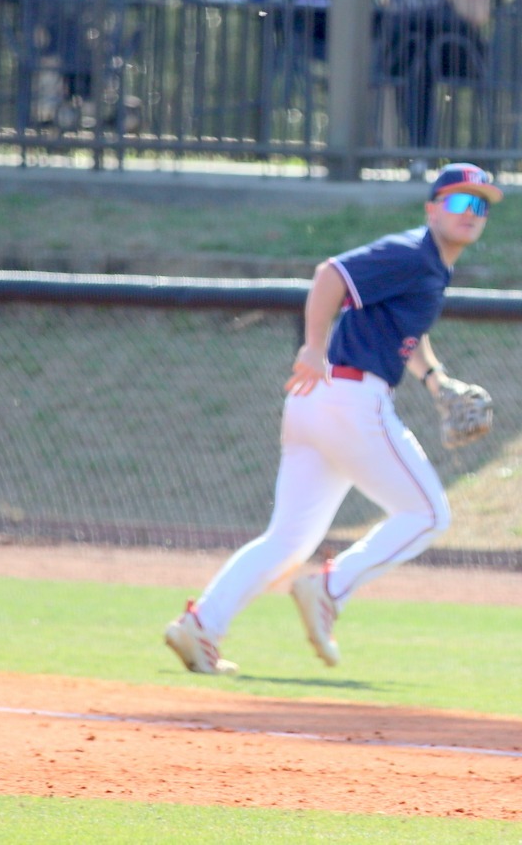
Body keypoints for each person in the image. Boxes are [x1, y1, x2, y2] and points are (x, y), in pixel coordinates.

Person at [162, 164, 502, 675]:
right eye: (458, 202)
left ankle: (202, 626)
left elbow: (405, 333)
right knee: (429, 515)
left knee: (288, 540)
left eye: (480, 205)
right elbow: (331, 274)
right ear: (431, 208)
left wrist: (435, 379)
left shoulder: (428, 266)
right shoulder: (412, 252)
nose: (470, 213)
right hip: (349, 399)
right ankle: (330, 587)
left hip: (316, 405)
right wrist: (314, 345)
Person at [374, 0, 493, 167]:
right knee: (417, 62)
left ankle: (426, 153)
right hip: (407, 50)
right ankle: (421, 152)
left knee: (427, 57)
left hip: (454, 51)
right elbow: (376, 5)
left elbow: (479, 14)